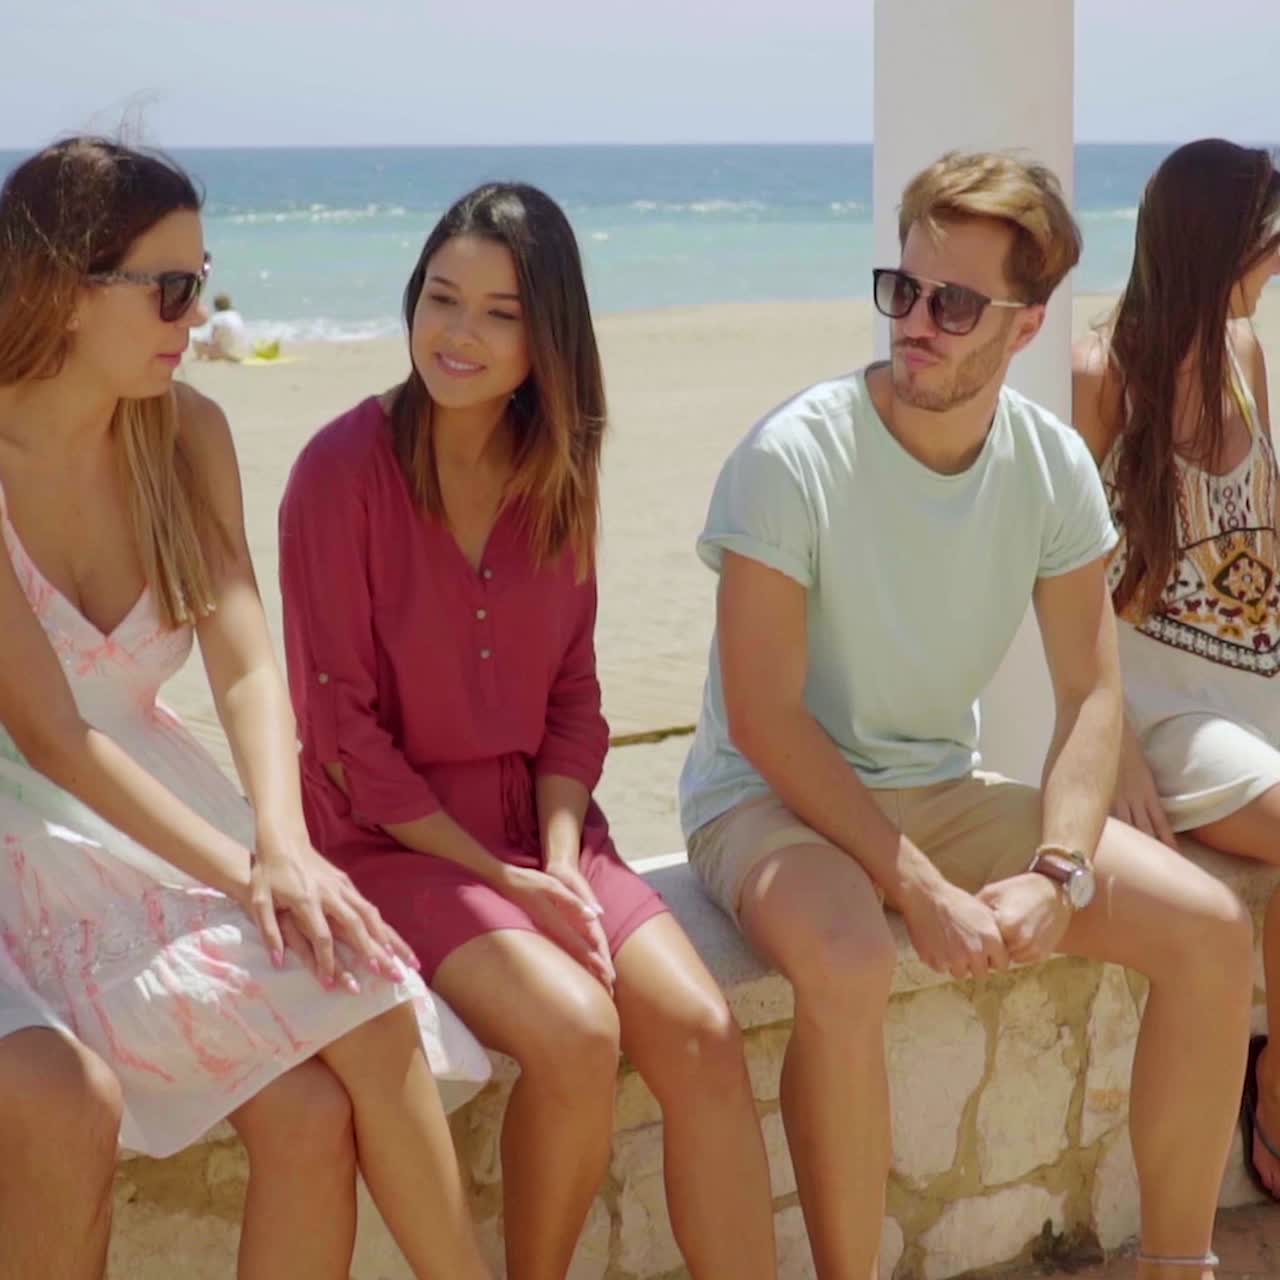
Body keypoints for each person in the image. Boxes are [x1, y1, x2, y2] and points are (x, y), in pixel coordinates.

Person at [678, 150, 1253, 1280]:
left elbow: (1089, 693)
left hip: (938, 788)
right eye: (901, 289)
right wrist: (917, 886)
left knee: (1206, 931)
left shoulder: (1046, 468)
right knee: (844, 956)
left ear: (1026, 324)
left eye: (952, 302)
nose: (916, 322)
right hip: (768, 798)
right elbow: (762, 717)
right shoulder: (791, 457)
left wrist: (1057, 869)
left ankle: (1175, 1266)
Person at [0, 137, 492, 1280]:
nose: (193, 312)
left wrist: (281, 836)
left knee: (317, 1110)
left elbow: (247, 662)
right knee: (359, 1003)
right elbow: (51, 736)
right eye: (168, 289)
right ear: (68, 289)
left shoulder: (185, 433)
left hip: (159, 798)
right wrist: (244, 869)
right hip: (36, 830)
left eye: (199, 279)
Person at [278, 182, 776, 1280]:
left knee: (699, 1028)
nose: (459, 332)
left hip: (542, 827)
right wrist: (499, 879)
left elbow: (572, 701)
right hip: (388, 844)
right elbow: (341, 735)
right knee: (574, 1030)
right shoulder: (336, 472)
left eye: (499, 312)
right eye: (442, 297)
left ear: (544, 333)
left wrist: (551, 860)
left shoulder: (557, 465)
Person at [1073, 139, 1280, 1200]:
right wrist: (1104, 753)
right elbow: (1055, 577)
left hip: (1259, 684)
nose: (1276, 263)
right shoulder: (1098, 372)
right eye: (1267, 241)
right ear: (1219, 245)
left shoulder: (1243, 353)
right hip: (1164, 706)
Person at [193, 292, 250, 361]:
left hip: (229, 355)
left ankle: (199, 359)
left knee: (196, 341)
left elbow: (212, 339)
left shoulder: (218, 317)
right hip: (243, 353)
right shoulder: (236, 315)